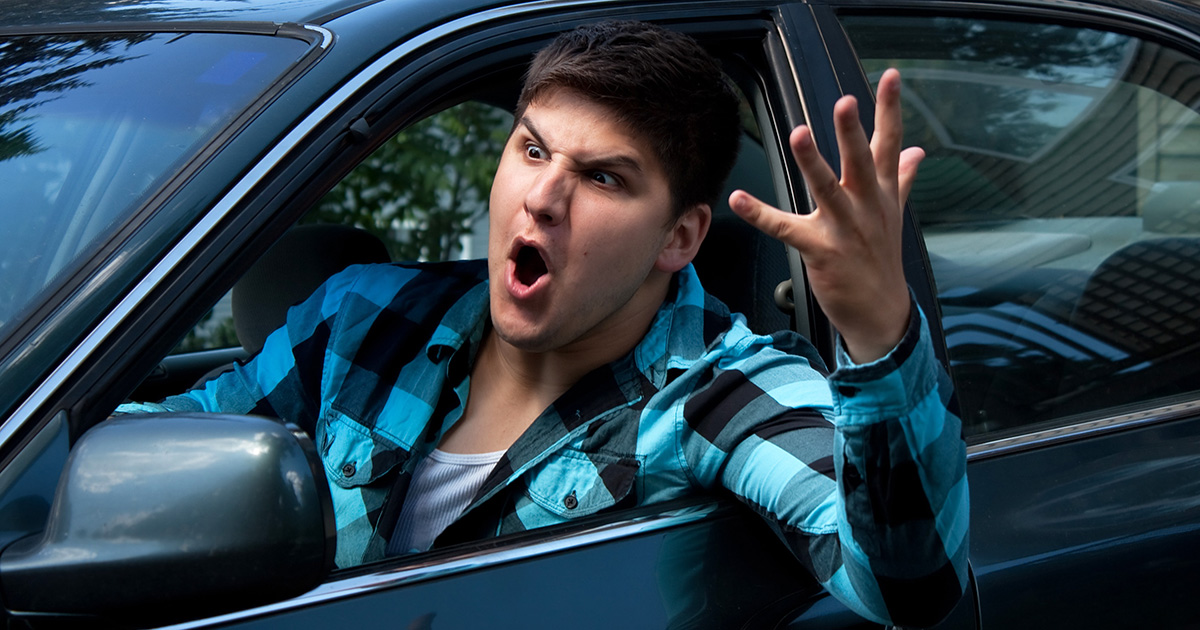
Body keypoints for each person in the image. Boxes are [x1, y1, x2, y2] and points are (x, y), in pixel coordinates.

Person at [119, 21, 968, 626]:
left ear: (680, 237)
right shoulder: (361, 317)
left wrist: (878, 332)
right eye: (531, 150)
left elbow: (911, 587)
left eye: (602, 179)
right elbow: (152, 451)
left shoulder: (716, 390)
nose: (543, 198)